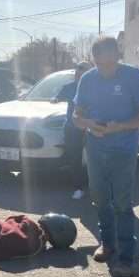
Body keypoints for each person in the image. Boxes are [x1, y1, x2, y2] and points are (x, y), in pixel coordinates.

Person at [73, 37, 139, 277]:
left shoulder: (134, 76)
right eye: (100, 64)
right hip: (95, 147)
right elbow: (76, 117)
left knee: (122, 202)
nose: (106, 69)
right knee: (99, 198)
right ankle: (107, 244)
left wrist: (121, 126)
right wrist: (90, 124)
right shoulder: (88, 79)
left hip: (124, 148)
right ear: (94, 59)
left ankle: (126, 259)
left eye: (110, 63)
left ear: (118, 56)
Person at [55, 61, 92, 200]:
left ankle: (98, 188)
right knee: (74, 159)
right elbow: (57, 98)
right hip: (72, 128)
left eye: (82, 70)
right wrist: (55, 99)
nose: (78, 72)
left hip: (92, 127)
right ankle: (78, 188)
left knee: (96, 158)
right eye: (77, 70)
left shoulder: (96, 87)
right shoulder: (68, 87)